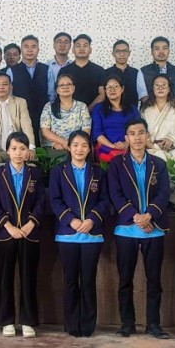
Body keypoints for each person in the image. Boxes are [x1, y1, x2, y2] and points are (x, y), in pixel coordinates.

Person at [108, 118, 171, 339]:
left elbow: (164, 194)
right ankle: (127, 323)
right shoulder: (117, 164)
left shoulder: (158, 164)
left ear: (147, 136)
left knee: (154, 280)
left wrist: (150, 215)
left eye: (141, 132)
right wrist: (135, 217)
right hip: (126, 230)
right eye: (132, 133)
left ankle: (154, 324)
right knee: (125, 280)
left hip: (154, 229)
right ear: (126, 138)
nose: (137, 137)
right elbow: (115, 194)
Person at [49, 130, 105, 337]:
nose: (79, 149)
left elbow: (104, 201)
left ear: (89, 149)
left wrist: (91, 219)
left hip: (92, 234)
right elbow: (55, 200)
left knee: (89, 280)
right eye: (75, 145)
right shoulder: (58, 171)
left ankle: (88, 325)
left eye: (84, 145)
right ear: (69, 147)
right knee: (70, 280)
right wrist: (70, 220)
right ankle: (72, 324)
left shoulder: (98, 172)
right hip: (67, 234)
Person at [0, 132, 44, 337]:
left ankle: (28, 321)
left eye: (22, 148)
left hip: (29, 233)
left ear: (27, 151)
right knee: (5, 278)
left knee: (28, 278)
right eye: (14, 148)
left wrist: (31, 223)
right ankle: (7, 321)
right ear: (7, 150)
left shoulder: (35, 174)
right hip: (6, 234)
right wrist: (8, 226)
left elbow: (41, 202)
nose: (18, 153)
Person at [0, 72, 36, 167]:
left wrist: (30, 147)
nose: (1, 87)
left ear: (11, 87)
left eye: (5, 84)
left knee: (32, 163)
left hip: (17, 148)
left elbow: (27, 126)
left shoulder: (20, 102)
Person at [141, 75, 175, 161]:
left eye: (164, 85)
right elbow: (141, 131)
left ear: (169, 88)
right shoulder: (145, 110)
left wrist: (171, 138)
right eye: (157, 85)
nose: (160, 88)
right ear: (153, 89)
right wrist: (151, 145)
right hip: (152, 148)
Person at [7, 35, 50, 143]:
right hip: (19, 115)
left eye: (33, 46)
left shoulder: (46, 69)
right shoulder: (11, 71)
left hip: (43, 115)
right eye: (26, 46)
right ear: (21, 50)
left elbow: (51, 94)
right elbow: (9, 96)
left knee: (42, 146)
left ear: (38, 50)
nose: (30, 50)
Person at [91, 75, 141, 163]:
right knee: (116, 160)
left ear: (122, 89)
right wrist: (113, 146)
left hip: (130, 146)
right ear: (105, 90)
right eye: (109, 87)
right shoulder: (98, 108)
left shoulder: (132, 109)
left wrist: (126, 144)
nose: (112, 90)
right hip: (105, 147)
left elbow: (138, 130)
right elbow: (98, 134)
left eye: (115, 86)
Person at [39, 74, 91, 158]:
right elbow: (45, 131)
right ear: (57, 90)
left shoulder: (82, 106)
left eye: (68, 84)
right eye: (62, 85)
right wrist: (63, 142)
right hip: (55, 147)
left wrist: (73, 145)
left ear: (73, 88)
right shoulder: (49, 107)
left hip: (78, 148)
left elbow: (86, 131)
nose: (65, 87)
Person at [63, 34, 106, 110]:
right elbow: (61, 93)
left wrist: (87, 110)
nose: (82, 48)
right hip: (70, 113)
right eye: (78, 46)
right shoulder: (65, 71)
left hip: (94, 112)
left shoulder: (99, 70)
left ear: (90, 50)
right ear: (73, 50)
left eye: (85, 46)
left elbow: (102, 94)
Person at [137, 36, 175, 104]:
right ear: (152, 52)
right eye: (157, 49)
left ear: (169, 51)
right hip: (149, 111)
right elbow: (143, 96)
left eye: (165, 48)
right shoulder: (143, 71)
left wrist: (170, 110)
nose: (161, 51)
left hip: (173, 112)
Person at [107, 39, 140, 110]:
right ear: (113, 54)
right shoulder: (106, 73)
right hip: (111, 113)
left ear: (129, 53)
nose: (122, 54)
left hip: (132, 114)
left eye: (125, 51)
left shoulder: (136, 73)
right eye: (118, 51)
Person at [46, 32, 72, 102]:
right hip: (48, 106)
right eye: (59, 42)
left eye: (66, 42)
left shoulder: (74, 66)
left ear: (70, 46)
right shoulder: (45, 66)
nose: (62, 45)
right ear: (53, 45)